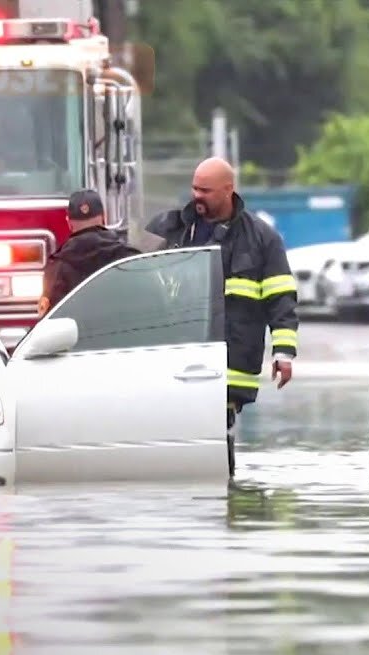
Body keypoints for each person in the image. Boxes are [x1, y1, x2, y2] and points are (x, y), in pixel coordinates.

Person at [144, 157, 298, 480]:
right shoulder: (175, 231)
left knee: (217, 436)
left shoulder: (262, 239)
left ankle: (222, 508)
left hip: (230, 361)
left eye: (205, 190)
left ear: (229, 190)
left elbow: (281, 299)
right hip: (176, 354)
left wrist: (283, 353)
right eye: (194, 188)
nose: (197, 196)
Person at [37, 189, 138, 315]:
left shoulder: (57, 268)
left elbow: (49, 322)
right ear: (104, 218)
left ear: (69, 224)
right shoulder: (130, 258)